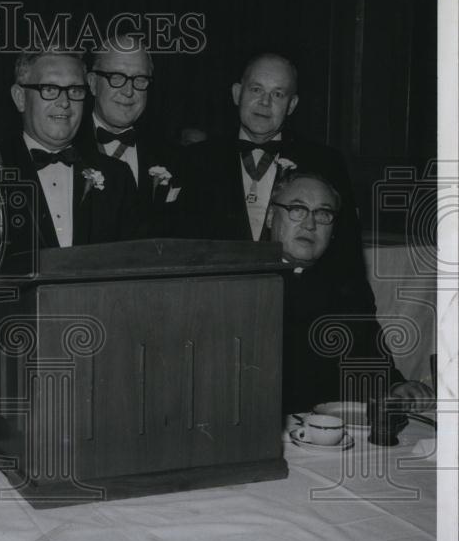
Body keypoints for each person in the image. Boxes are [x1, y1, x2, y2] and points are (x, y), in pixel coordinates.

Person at [178, 52, 370, 292]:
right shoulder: (195, 160)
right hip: (214, 308)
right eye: (256, 90)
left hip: (299, 315)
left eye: (278, 94)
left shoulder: (325, 162)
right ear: (237, 93)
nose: (265, 102)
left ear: (292, 105)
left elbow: (348, 257)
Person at [0, 46, 130, 303]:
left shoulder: (117, 177)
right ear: (20, 97)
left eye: (75, 91)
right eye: (49, 89)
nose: (65, 102)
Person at [265, 171, 432, 414]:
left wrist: (396, 385)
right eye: (297, 209)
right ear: (271, 216)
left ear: (332, 229)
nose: (310, 224)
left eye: (323, 213)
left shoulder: (348, 287)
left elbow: (371, 359)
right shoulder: (240, 284)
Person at [76, 33, 179, 237]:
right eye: (116, 77)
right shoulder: (64, 149)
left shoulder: (172, 156)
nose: (129, 91)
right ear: (93, 82)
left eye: (140, 79)